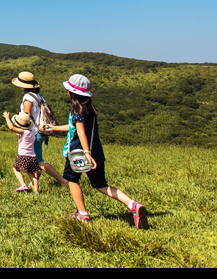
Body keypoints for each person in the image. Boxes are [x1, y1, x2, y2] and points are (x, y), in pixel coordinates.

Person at [40, 74, 149, 229]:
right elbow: (75, 128)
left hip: (78, 154)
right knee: (101, 185)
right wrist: (54, 128)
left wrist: (86, 153)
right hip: (96, 152)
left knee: (72, 181)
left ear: (72, 93)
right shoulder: (89, 110)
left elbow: (81, 133)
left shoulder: (76, 111)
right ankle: (133, 204)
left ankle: (82, 214)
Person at [12, 71, 69, 188]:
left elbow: (26, 116)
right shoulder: (39, 97)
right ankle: (33, 184)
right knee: (35, 159)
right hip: (41, 130)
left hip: (33, 132)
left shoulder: (28, 97)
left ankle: (63, 181)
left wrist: (19, 128)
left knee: (38, 161)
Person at [3, 110, 40, 193]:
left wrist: (7, 118)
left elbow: (11, 128)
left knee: (16, 169)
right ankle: (36, 191)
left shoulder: (23, 132)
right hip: (33, 157)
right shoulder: (32, 133)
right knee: (32, 174)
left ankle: (23, 185)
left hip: (23, 156)